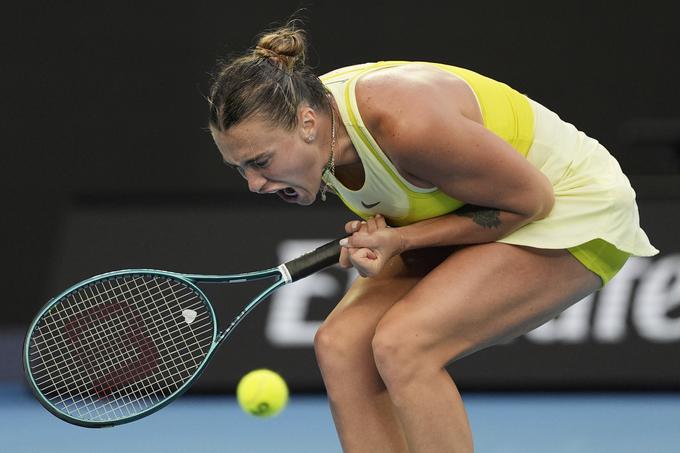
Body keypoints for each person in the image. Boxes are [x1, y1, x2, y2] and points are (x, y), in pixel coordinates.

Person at [207, 23, 658, 453]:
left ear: (308, 123)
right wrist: (388, 239)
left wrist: (401, 243)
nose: (254, 183)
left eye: (260, 162)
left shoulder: (405, 124)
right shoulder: (309, 122)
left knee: (404, 344)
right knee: (341, 344)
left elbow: (529, 203)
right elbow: (422, 201)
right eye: (241, 168)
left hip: (571, 207)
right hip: (480, 207)